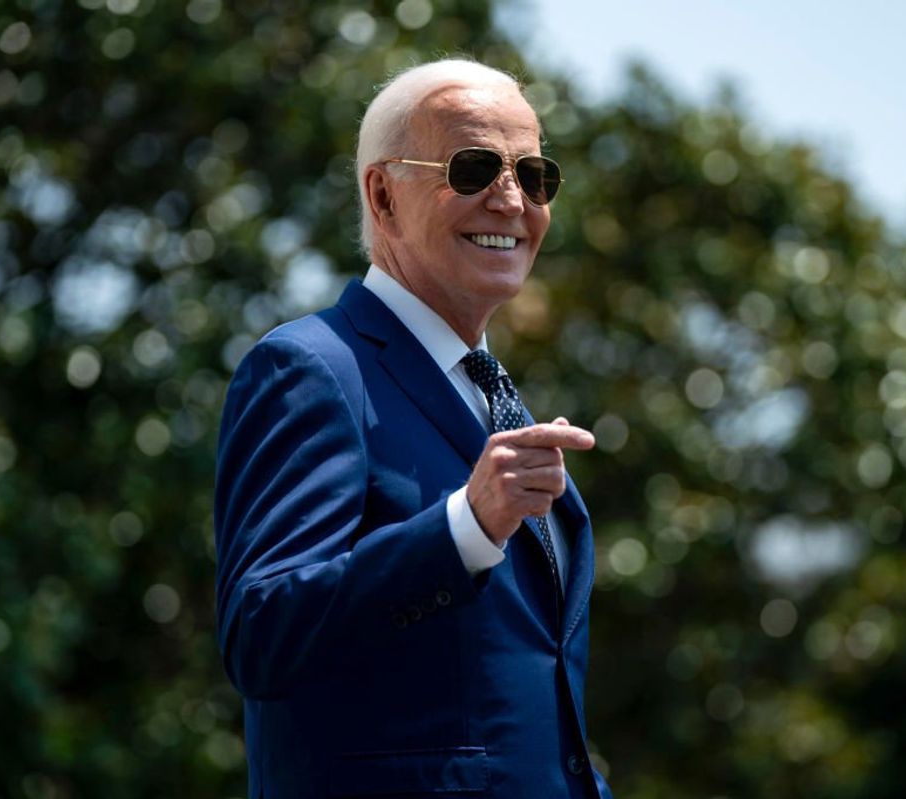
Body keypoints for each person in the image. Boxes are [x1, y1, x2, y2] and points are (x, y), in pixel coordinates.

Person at [214, 58, 613, 799]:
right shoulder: (309, 369)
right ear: (383, 195)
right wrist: (466, 524)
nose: (510, 199)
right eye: (473, 168)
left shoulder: (494, 397)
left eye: (534, 176)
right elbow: (261, 633)